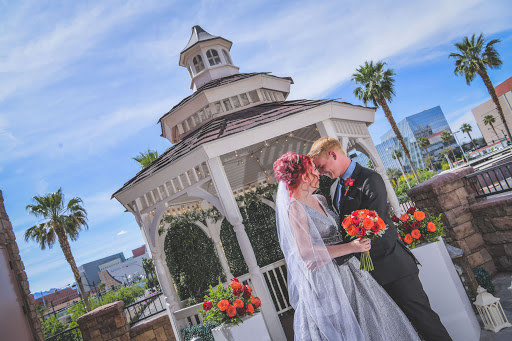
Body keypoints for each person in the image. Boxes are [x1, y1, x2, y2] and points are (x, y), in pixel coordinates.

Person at [308, 136, 452, 341]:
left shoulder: (370, 179)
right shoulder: (334, 189)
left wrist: (336, 255)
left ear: (333, 154)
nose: (321, 173)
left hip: (393, 267)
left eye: (321, 167)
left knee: (425, 322)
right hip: (369, 276)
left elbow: (377, 226)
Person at [273, 152, 420, 341]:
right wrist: (352, 247)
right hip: (326, 278)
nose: (318, 174)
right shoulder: (295, 208)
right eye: (313, 170)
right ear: (302, 175)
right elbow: (306, 252)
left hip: (349, 271)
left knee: (371, 319)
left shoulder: (321, 200)